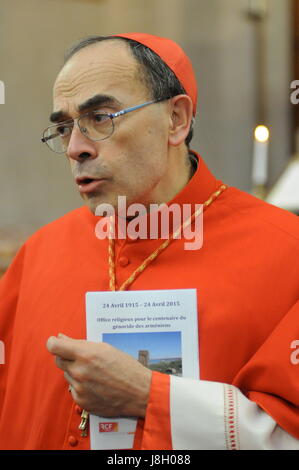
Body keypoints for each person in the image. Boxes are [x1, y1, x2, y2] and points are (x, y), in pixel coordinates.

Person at [0, 32, 299, 451]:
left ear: (176, 119)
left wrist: (151, 397)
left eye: (100, 117)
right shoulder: (38, 254)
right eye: (64, 128)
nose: (75, 148)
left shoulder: (288, 254)